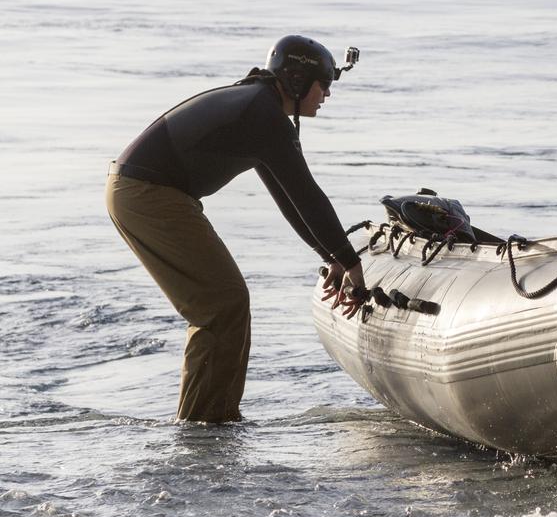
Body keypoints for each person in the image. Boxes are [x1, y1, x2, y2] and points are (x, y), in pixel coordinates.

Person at [105, 35, 368, 423]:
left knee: (224, 303)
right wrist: (350, 262)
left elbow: (288, 199)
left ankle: (216, 418)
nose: (327, 94)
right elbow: (306, 194)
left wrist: (332, 256)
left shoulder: (257, 107)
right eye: (324, 84)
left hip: (139, 191)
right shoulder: (262, 116)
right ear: (297, 82)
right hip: (147, 194)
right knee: (223, 304)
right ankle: (204, 426)